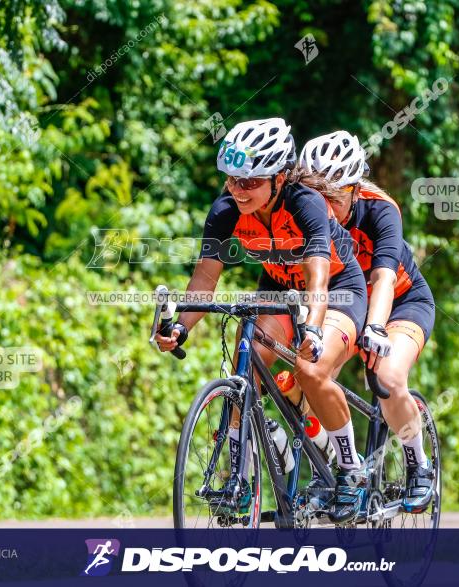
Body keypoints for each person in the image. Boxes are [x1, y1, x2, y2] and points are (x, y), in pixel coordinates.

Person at [155, 117, 370, 524]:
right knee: (245, 364)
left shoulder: (305, 203)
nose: (238, 189)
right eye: (233, 179)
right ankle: (239, 481)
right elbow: (205, 278)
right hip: (276, 289)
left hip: (337, 290)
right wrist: (182, 326)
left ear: (280, 177)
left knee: (311, 369)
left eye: (251, 181)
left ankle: (350, 469)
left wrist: (311, 329)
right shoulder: (225, 211)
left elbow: (318, 277)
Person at [299, 130, 437, 513]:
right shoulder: (305, 213)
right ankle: (332, 468)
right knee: (309, 375)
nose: (324, 208)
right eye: (317, 197)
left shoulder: (380, 209)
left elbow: (384, 279)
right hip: (349, 302)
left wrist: (375, 329)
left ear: (356, 189)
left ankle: (418, 464)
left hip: (401, 302)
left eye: (334, 198)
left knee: (388, 380)